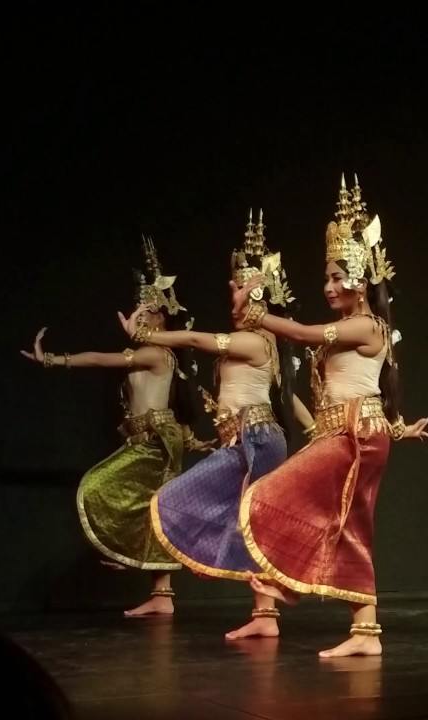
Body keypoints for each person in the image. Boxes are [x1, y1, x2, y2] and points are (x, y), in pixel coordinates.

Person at [233, 175, 428, 657]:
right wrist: (398, 426)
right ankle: (363, 630)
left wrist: (257, 316)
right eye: (326, 277)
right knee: (348, 527)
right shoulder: (351, 326)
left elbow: (304, 334)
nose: (328, 286)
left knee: (274, 494)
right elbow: (364, 385)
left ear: (361, 280)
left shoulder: (366, 325)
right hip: (350, 432)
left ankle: (286, 584)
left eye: (338, 277)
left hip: (355, 435)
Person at [119, 210, 300, 637]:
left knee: (250, 522)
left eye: (240, 290)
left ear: (258, 298)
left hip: (257, 438)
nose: (232, 296)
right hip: (246, 440)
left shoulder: (255, 340)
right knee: (229, 517)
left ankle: (266, 615)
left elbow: (194, 339)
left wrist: (146, 336)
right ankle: (263, 616)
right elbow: (286, 398)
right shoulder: (257, 342)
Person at [20, 237, 208, 617]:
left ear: (159, 319)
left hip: (155, 441)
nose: (138, 317)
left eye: (146, 312)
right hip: (152, 439)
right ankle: (162, 595)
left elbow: (100, 360)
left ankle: (129, 555)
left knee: (99, 486)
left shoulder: (155, 353)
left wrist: (52, 360)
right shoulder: (151, 354)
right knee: (152, 510)